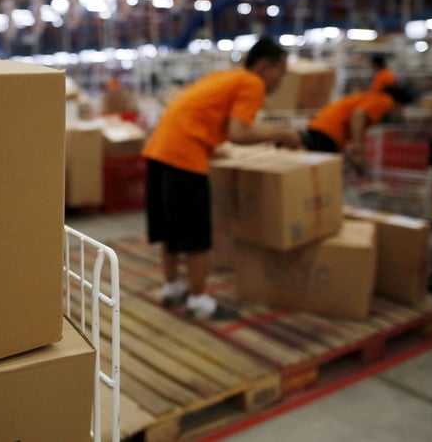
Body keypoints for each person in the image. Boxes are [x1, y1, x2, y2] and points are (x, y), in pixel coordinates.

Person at [142, 37, 301, 320]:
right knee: (197, 234)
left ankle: (172, 287)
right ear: (265, 67)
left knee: (171, 228)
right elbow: (239, 132)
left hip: (159, 150)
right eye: (281, 72)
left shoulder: (223, 77)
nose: (281, 80)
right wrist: (282, 134)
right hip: (184, 156)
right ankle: (198, 301)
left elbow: (200, 116)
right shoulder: (252, 83)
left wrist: (212, 149)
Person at [300, 84, 416, 168]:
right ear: (399, 104)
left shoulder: (371, 98)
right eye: (402, 109)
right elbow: (358, 115)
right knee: (325, 173)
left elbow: (355, 123)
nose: (400, 113)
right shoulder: (386, 101)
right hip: (328, 132)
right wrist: (358, 149)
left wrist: (354, 153)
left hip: (320, 126)